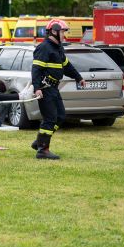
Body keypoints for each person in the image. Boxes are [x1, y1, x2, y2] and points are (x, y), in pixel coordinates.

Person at [30, 18, 85, 160]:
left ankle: (40, 141)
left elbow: (67, 66)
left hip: (54, 88)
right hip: (45, 88)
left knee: (60, 116)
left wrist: (78, 77)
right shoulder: (44, 48)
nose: (64, 35)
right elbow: (36, 69)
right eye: (62, 32)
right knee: (50, 118)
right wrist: (37, 88)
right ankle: (43, 150)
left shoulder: (58, 48)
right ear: (53, 31)